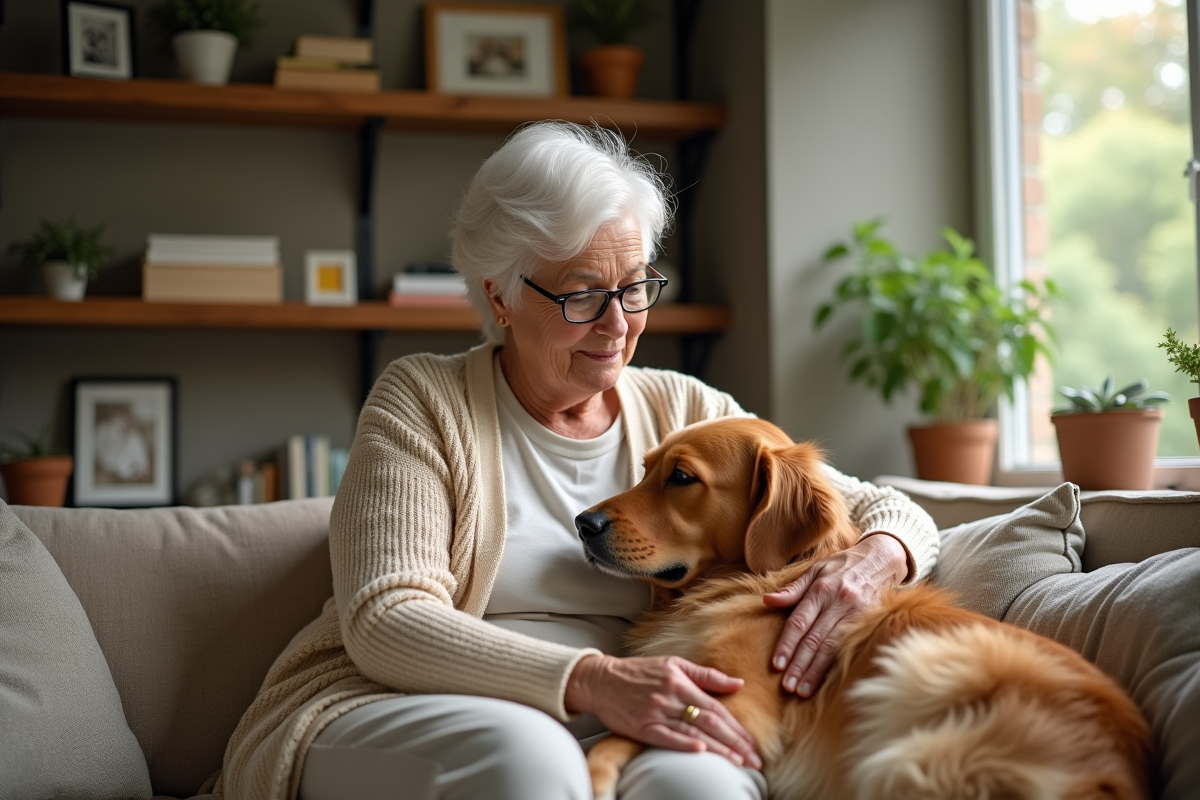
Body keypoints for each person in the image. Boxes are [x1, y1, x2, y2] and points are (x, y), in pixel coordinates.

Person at [215, 121, 939, 800]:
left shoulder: (682, 411)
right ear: (500, 297)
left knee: (704, 784)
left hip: (636, 711)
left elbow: (874, 504)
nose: (619, 324)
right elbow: (386, 620)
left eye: (634, 286)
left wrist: (878, 556)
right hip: (411, 700)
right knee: (529, 757)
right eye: (584, 295)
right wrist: (591, 681)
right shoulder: (422, 401)